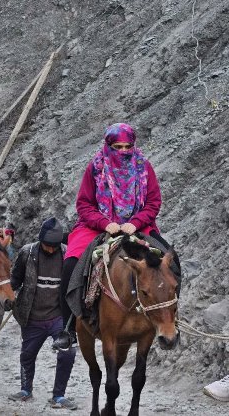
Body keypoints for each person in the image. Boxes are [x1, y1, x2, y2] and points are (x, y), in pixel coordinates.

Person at [54, 123, 179, 351]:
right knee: (71, 263)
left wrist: (134, 222)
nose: (123, 151)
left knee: (172, 261)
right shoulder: (95, 168)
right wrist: (105, 223)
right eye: (117, 146)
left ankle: (171, 315)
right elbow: (84, 204)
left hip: (137, 226)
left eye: (127, 146)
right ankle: (68, 327)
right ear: (108, 145)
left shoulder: (144, 167)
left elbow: (153, 203)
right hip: (98, 226)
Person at [9, 218, 77, 409]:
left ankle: (59, 396)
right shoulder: (27, 253)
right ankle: (25, 390)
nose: (49, 250)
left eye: (53, 246)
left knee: (68, 352)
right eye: (47, 245)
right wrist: (6, 296)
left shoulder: (67, 253)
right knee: (27, 354)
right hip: (32, 316)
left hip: (58, 317)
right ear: (41, 241)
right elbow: (15, 279)